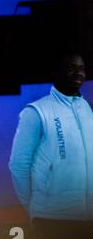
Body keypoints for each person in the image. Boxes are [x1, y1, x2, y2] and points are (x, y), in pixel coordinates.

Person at [9, 54, 93, 223]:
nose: (78, 73)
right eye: (71, 68)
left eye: (81, 69)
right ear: (56, 73)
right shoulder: (36, 111)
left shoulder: (86, 108)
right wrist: (33, 206)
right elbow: (18, 165)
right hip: (51, 217)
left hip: (87, 216)